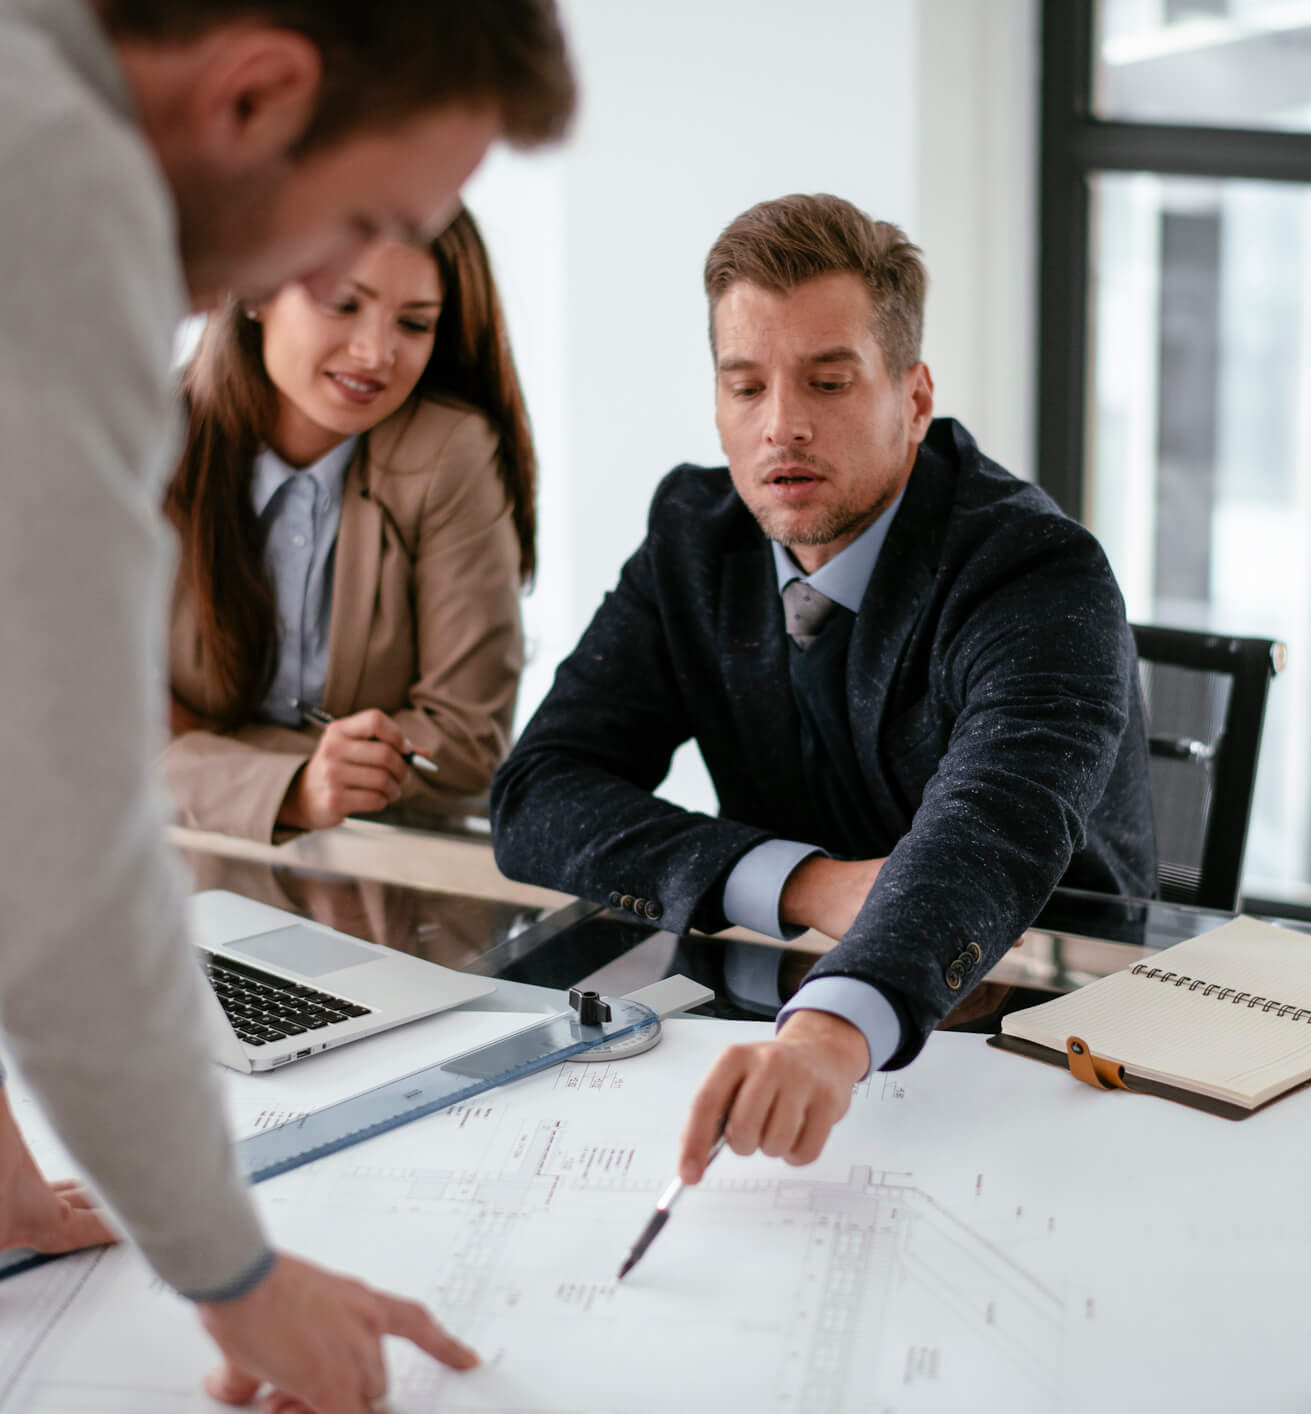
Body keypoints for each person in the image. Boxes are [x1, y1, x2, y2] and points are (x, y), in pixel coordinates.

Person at [0, 0, 572, 1409]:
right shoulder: (49, 199)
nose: (353, 298)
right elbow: (61, 863)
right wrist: (235, 1275)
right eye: (358, 221)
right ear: (257, 94)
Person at [488, 193, 1155, 1193]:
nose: (782, 427)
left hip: (1043, 1041)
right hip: (783, 1000)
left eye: (828, 381)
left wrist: (831, 1031)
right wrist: (800, 882)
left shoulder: (1036, 571)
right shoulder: (693, 534)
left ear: (914, 398)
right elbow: (538, 795)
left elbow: (985, 835)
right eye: (745, 386)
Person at [163, 208, 534, 839]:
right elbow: (91, 725)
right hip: (170, 860)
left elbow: (467, 743)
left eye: (414, 323)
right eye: (342, 304)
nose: (375, 354)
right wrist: (299, 787)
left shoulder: (452, 453)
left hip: (386, 863)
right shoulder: (146, 443)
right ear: (256, 291)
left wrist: (201, 753)